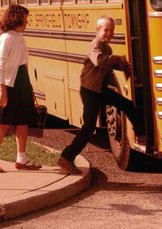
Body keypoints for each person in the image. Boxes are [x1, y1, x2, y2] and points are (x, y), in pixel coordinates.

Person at [57, 16, 143, 174]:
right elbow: (99, 61)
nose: (109, 33)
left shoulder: (107, 48)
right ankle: (66, 158)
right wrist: (118, 59)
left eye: (112, 30)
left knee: (127, 105)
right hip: (90, 91)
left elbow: (108, 66)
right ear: (97, 30)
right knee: (88, 128)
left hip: (100, 89)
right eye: (106, 30)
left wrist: (125, 67)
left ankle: (141, 134)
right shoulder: (95, 45)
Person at [0, 4, 42, 172]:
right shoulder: (7, 38)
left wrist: (28, 86)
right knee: (2, 124)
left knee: (23, 122)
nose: (27, 21)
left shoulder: (19, 37)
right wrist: (2, 90)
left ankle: (21, 159)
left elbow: (22, 64)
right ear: (16, 18)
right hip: (9, 85)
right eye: (25, 18)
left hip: (22, 82)